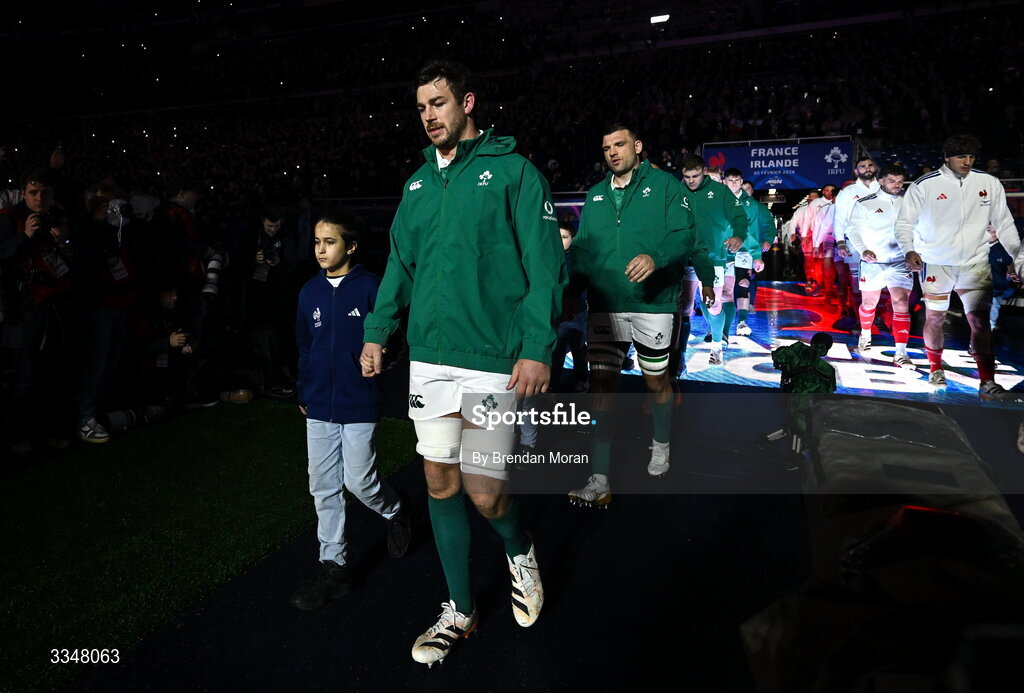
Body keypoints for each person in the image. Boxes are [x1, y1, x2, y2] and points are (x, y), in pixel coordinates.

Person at [360, 60, 565, 666]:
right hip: (429, 361)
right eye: (421, 106)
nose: (429, 115)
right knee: (439, 481)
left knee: (484, 492)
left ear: (467, 103)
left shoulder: (514, 173)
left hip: (492, 360)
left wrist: (535, 347)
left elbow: (544, 267)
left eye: (439, 102)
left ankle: (518, 547)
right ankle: (460, 610)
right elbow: (399, 265)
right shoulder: (417, 186)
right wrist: (379, 332)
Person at [566, 124, 713, 505]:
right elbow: (582, 252)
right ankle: (599, 477)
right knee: (601, 388)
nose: (612, 152)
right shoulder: (596, 196)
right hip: (605, 306)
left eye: (619, 144)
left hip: (652, 304)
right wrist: (566, 291)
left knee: (656, 382)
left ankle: (660, 444)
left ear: (638, 146)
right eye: (606, 147)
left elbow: (685, 235)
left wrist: (656, 257)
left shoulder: (665, 186)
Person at [291, 210, 410, 611]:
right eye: (317, 242)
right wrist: (304, 388)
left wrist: (381, 362)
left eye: (330, 242)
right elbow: (305, 346)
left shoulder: (372, 287)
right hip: (319, 403)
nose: (321, 250)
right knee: (322, 487)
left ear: (351, 246)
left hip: (359, 402)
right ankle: (334, 566)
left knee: (359, 482)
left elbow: (395, 339)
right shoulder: (309, 292)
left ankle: (396, 509)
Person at [895, 134, 1021, 400]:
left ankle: (987, 380)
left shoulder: (988, 183)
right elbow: (904, 223)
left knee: (980, 321)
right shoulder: (924, 185)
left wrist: (1017, 257)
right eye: (961, 157)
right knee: (935, 318)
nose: (967, 162)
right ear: (946, 158)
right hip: (937, 263)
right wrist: (910, 250)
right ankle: (935, 368)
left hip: (975, 263)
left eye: (971, 157)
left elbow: (1005, 224)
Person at [845, 164, 916, 368]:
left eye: (901, 181)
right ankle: (865, 335)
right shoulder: (865, 203)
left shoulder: (908, 203)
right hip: (872, 262)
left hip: (900, 262)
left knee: (901, 304)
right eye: (892, 180)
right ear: (881, 181)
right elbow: (853, 230)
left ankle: (901, 353)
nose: (897, 185)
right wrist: (863, 250)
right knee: (869, 304)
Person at [679, 154, 746, 365]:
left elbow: (739, 216)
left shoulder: (719, 191)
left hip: (712, 258)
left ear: (704, 171)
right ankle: (678, 354)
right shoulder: (678, 192)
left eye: (695, 176)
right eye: (687, 176)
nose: (691, 180)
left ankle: (717, 346)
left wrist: (739, 235)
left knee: (713, 305)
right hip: (683, 257)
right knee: (684, 306)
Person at [722, 168, 769, 336]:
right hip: (722, 252)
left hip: (743, 251)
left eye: (737, 180)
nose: (734, 183)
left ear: (741, 182)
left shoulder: (750, 204)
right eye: (730, 180)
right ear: (724, 181)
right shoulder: (716, 200)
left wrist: (756, 256)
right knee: (725, 291)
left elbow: (752, 231)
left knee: (743, 284)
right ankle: (722, 328)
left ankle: (741, 322)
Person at [834, 157, 881, 324]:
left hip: (882, 243)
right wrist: (840, 242)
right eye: (862, 166)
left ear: (875, 167)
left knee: (881, 285)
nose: (867, 168)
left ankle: (878, 318)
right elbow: (839, 219)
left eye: (870, 165)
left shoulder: (884, 188)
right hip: (855, 243)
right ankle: (857, 319)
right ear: (856, 171)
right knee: (856, 284)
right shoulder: (847, 192)